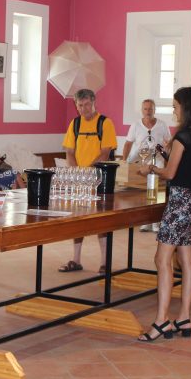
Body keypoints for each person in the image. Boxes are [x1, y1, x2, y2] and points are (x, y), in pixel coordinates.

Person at [137, 86, 191, 342]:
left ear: (186, 107)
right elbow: (184, 166)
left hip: (180, 201)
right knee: (187, 260)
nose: (174, 110)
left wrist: (150, 168)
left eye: (175, 106)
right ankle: (183, 316)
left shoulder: (182, 136)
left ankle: (161, 321)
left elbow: (170, 173)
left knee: (162, 260)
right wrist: (165, 152)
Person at [59, 88, 116, 274]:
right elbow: (69, 151)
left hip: (100, 179)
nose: (83, 109)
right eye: (79, 105)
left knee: (101, 221)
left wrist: (89, 172)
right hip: (80, 180)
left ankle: (104, 262)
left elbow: (105, 152)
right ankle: (76, 259)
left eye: (86, 105)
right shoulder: (74, 124)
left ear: (94, 103)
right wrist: (78, 173)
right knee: (78, 219)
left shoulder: (105, 123)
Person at [122, 98, 171, 232]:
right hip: (141, 161)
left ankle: (156, 222)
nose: (148, 111)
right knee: (143, 192)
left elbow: (168, 143)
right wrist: (124, 161)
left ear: (154, 110)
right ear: (142, 110)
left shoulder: (162, 125)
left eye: (150, 109)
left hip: (158, 162)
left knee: (156, 192)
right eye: (145, 109)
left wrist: (167, 154)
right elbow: (128, 144)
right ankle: (145, 221)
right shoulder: (135, 125)